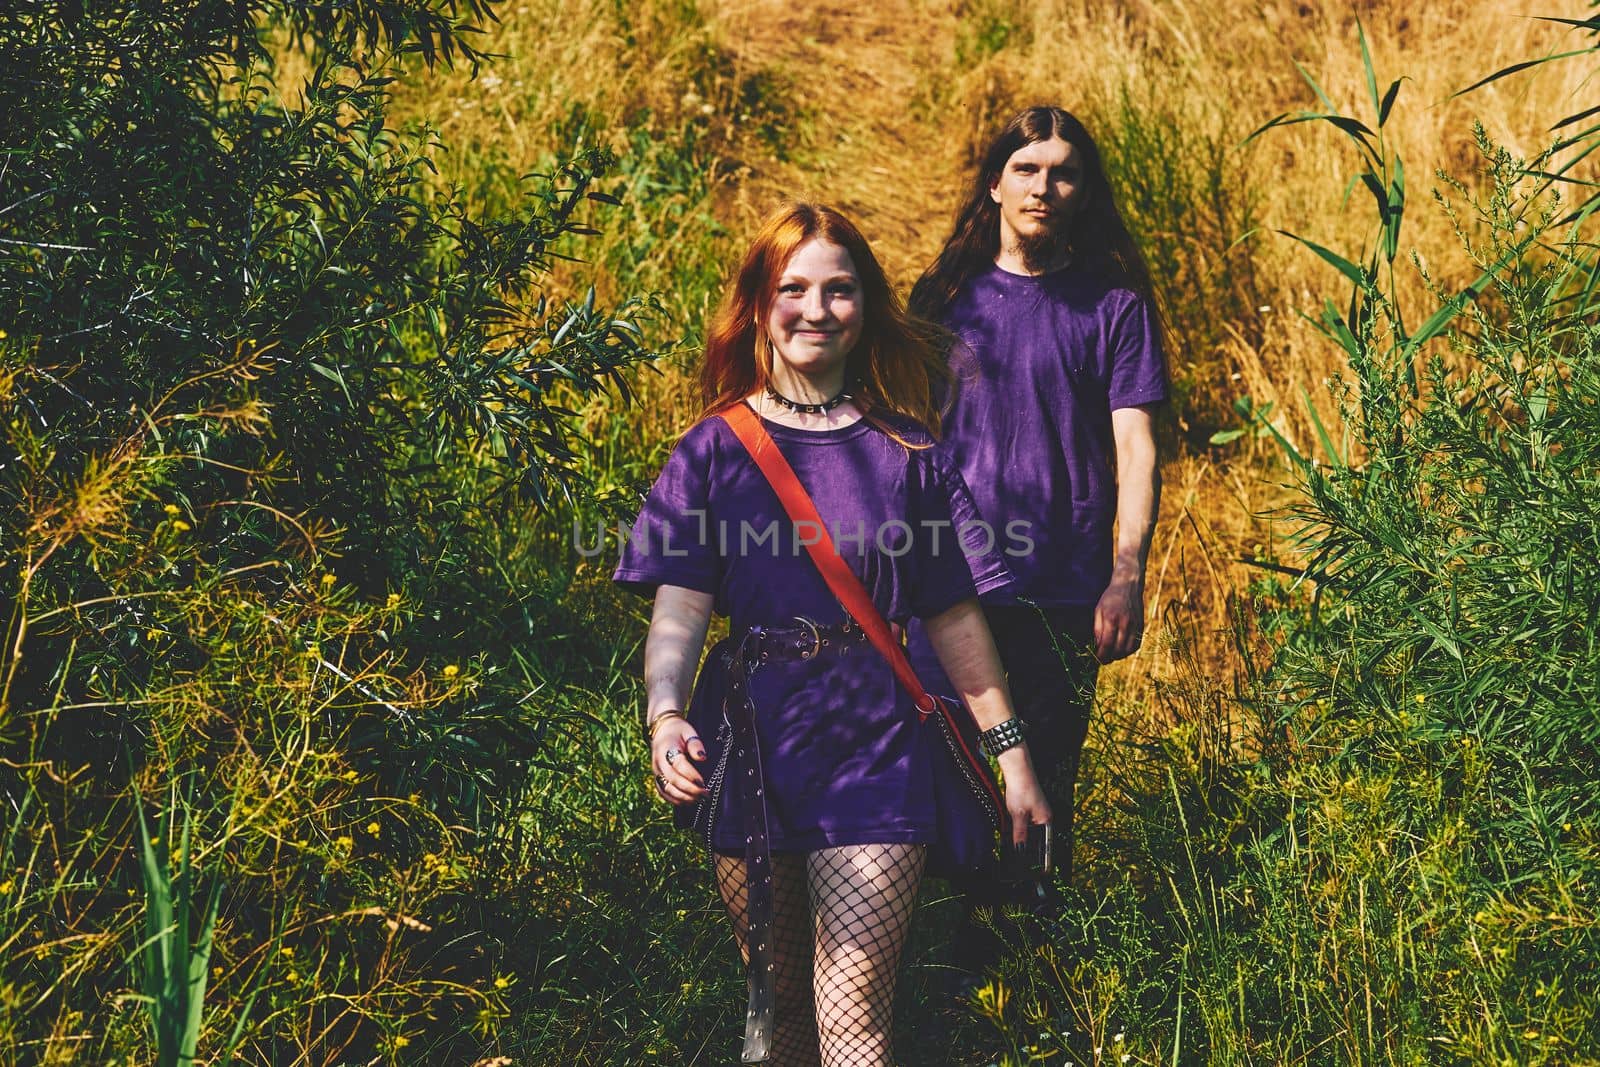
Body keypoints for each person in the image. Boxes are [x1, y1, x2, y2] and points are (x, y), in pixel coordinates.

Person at [613, 202, 1052, 1066]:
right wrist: (666, 715)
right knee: (774, 1016)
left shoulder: (909, 453)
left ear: (867, 309)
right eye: (795, 288)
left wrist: (1012, 755)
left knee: (853, 1018)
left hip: (875, 743)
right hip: (750, 739)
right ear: (758, 306)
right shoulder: (713, 449)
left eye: (839, 290)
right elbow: (682, 610)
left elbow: (955, 618)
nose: (816, 309)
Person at [907, 105, 1169, 953]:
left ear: (1083, 192)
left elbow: (1137, 446)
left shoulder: (1115, 305)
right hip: (948, 588)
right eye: (1026, 168)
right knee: (942, 779)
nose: (1044, 186)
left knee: (1042, 791)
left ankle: (1026, 981)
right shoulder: (942, 299)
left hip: (1062, 584)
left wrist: (1126, 574)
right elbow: (904, 442)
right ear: (994, 182)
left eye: (1063, 172)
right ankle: (935, 974)